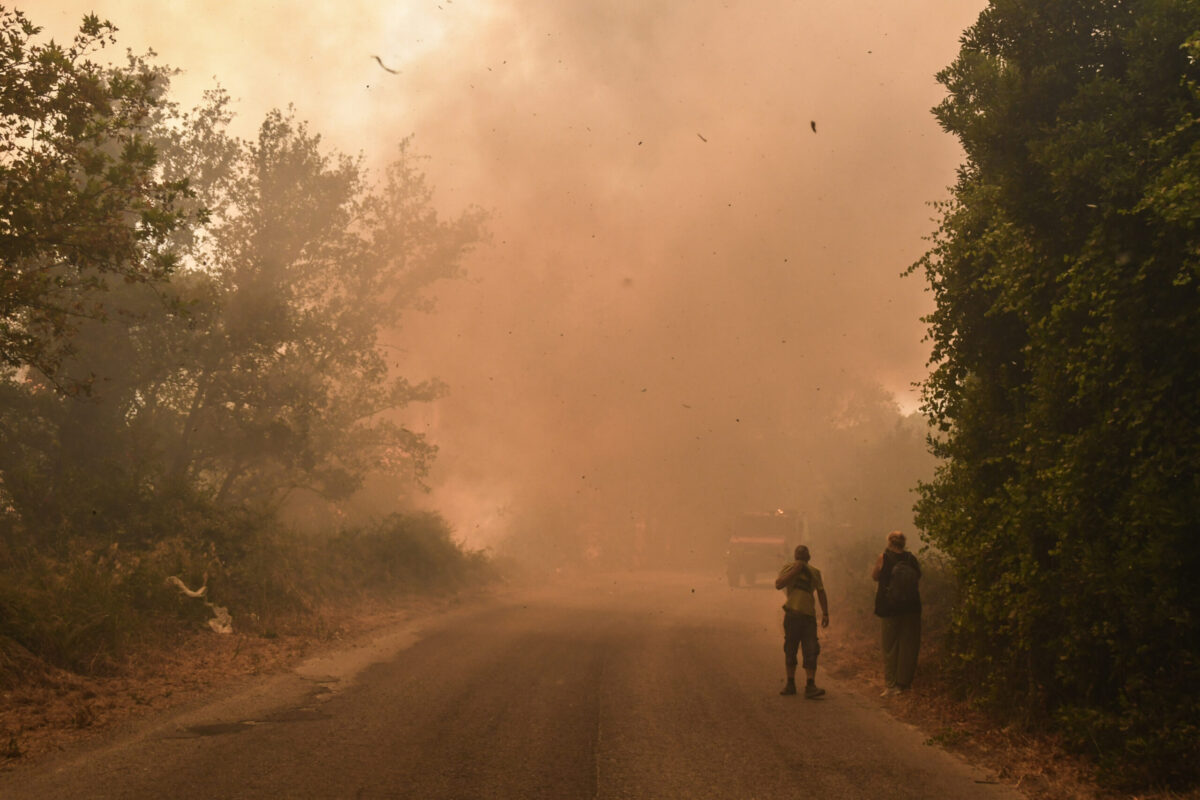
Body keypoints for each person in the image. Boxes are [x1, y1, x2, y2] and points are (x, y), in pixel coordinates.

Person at [775, 544, 830, 698]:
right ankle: (790, 683)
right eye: (800, 552)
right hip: (793, 614)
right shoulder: (788, 568)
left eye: (803, 552)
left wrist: (825, 613)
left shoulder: (814, 572)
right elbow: (779, 584)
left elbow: (821, 592)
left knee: (811, 650)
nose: (801, 553)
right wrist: (795, 570)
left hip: (808, 617)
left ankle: (810, 685)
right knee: (791, 648)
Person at [872, 530, 921, 696]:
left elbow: (875, 576)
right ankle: (903, 685)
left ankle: (890, 685)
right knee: (908, 645)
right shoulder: (911, 559)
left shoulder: (883, 557)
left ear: (889, 542)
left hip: (889, 608)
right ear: (904, 543)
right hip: (911, 608)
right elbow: (918, 577)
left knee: (890, 647)